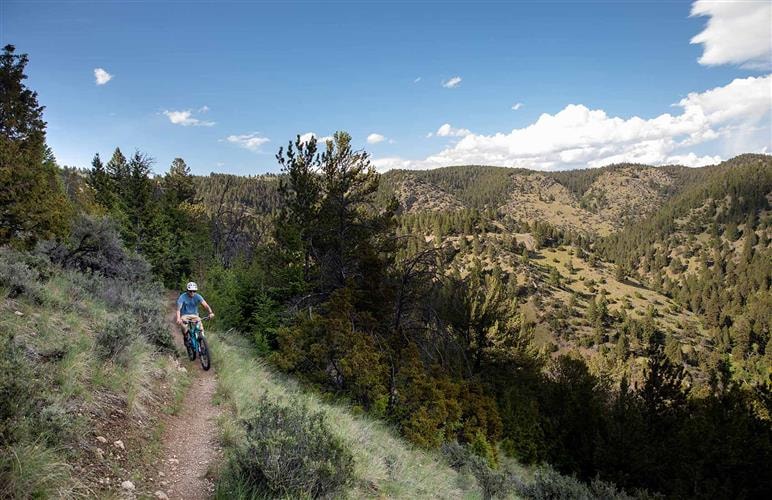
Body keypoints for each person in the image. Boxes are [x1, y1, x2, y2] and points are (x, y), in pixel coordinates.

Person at [176, 281, 214, 346]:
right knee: (184, 327)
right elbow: (178, 310)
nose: (192, 293)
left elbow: (205, 305)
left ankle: (202, 344)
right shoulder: (182, 297)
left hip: (195, 315)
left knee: (200, 328)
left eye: (194, 291)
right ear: (187, 290)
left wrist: (210, 312)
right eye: (190, 291)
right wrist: (178, 318)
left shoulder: (198, 296)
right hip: (185, 315)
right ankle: (185, 337)